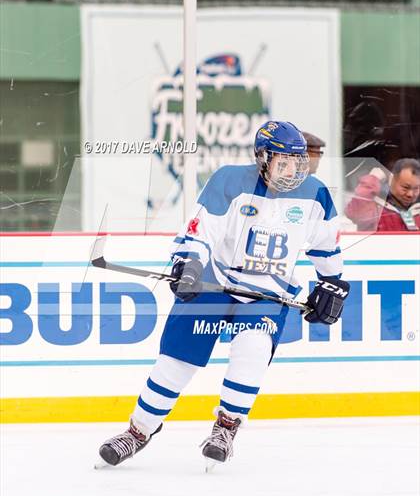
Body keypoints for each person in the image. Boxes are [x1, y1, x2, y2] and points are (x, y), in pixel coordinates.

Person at [98, 121, 350, 468]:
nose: (292, 170)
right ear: (262, 158)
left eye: (297, 162)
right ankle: (138, 431)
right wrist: (188, 263)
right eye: (283, 161)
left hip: (269, 292)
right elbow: (202, 231)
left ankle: (226, 429)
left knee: (254, 349)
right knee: (176, 362)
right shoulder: (229, 180)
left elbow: (326, 246)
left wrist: (332, 283)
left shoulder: (315, 192)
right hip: (215, 282)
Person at [345, 158, 420, 232]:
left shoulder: (417, 211)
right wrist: (372, 180)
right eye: (405, 187)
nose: (410, 194)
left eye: (416, 188)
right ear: (392, 180)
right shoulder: (376, 209)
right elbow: (354, 213)